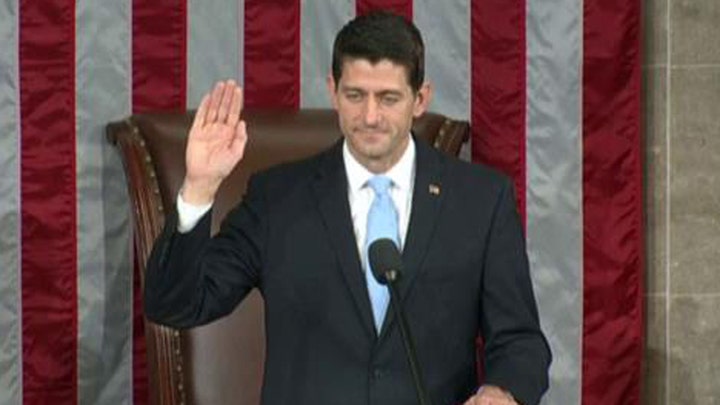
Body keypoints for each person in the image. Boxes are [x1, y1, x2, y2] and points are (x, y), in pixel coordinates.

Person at [144, 10, 550, 405]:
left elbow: (520, 341)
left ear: (420, 98)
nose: (370, 116)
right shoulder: (277, 199)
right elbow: (179, 304)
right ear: (332, 90)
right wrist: (199, 187)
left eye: (388, 98)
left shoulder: (480, 200)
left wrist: (503, 393)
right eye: (355, 95)